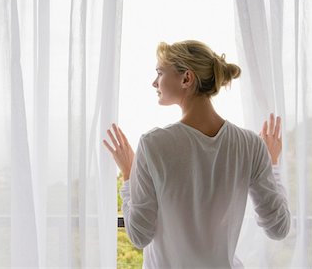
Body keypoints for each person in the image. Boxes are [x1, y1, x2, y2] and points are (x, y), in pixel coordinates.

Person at [103, 40, 290, 268]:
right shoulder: (251, 145)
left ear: (186, 79)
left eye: (160, 73)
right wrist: (272, 165)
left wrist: (129, 176)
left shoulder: (153, 144)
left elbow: (139, 235)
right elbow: (278, 228)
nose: (154, 82)